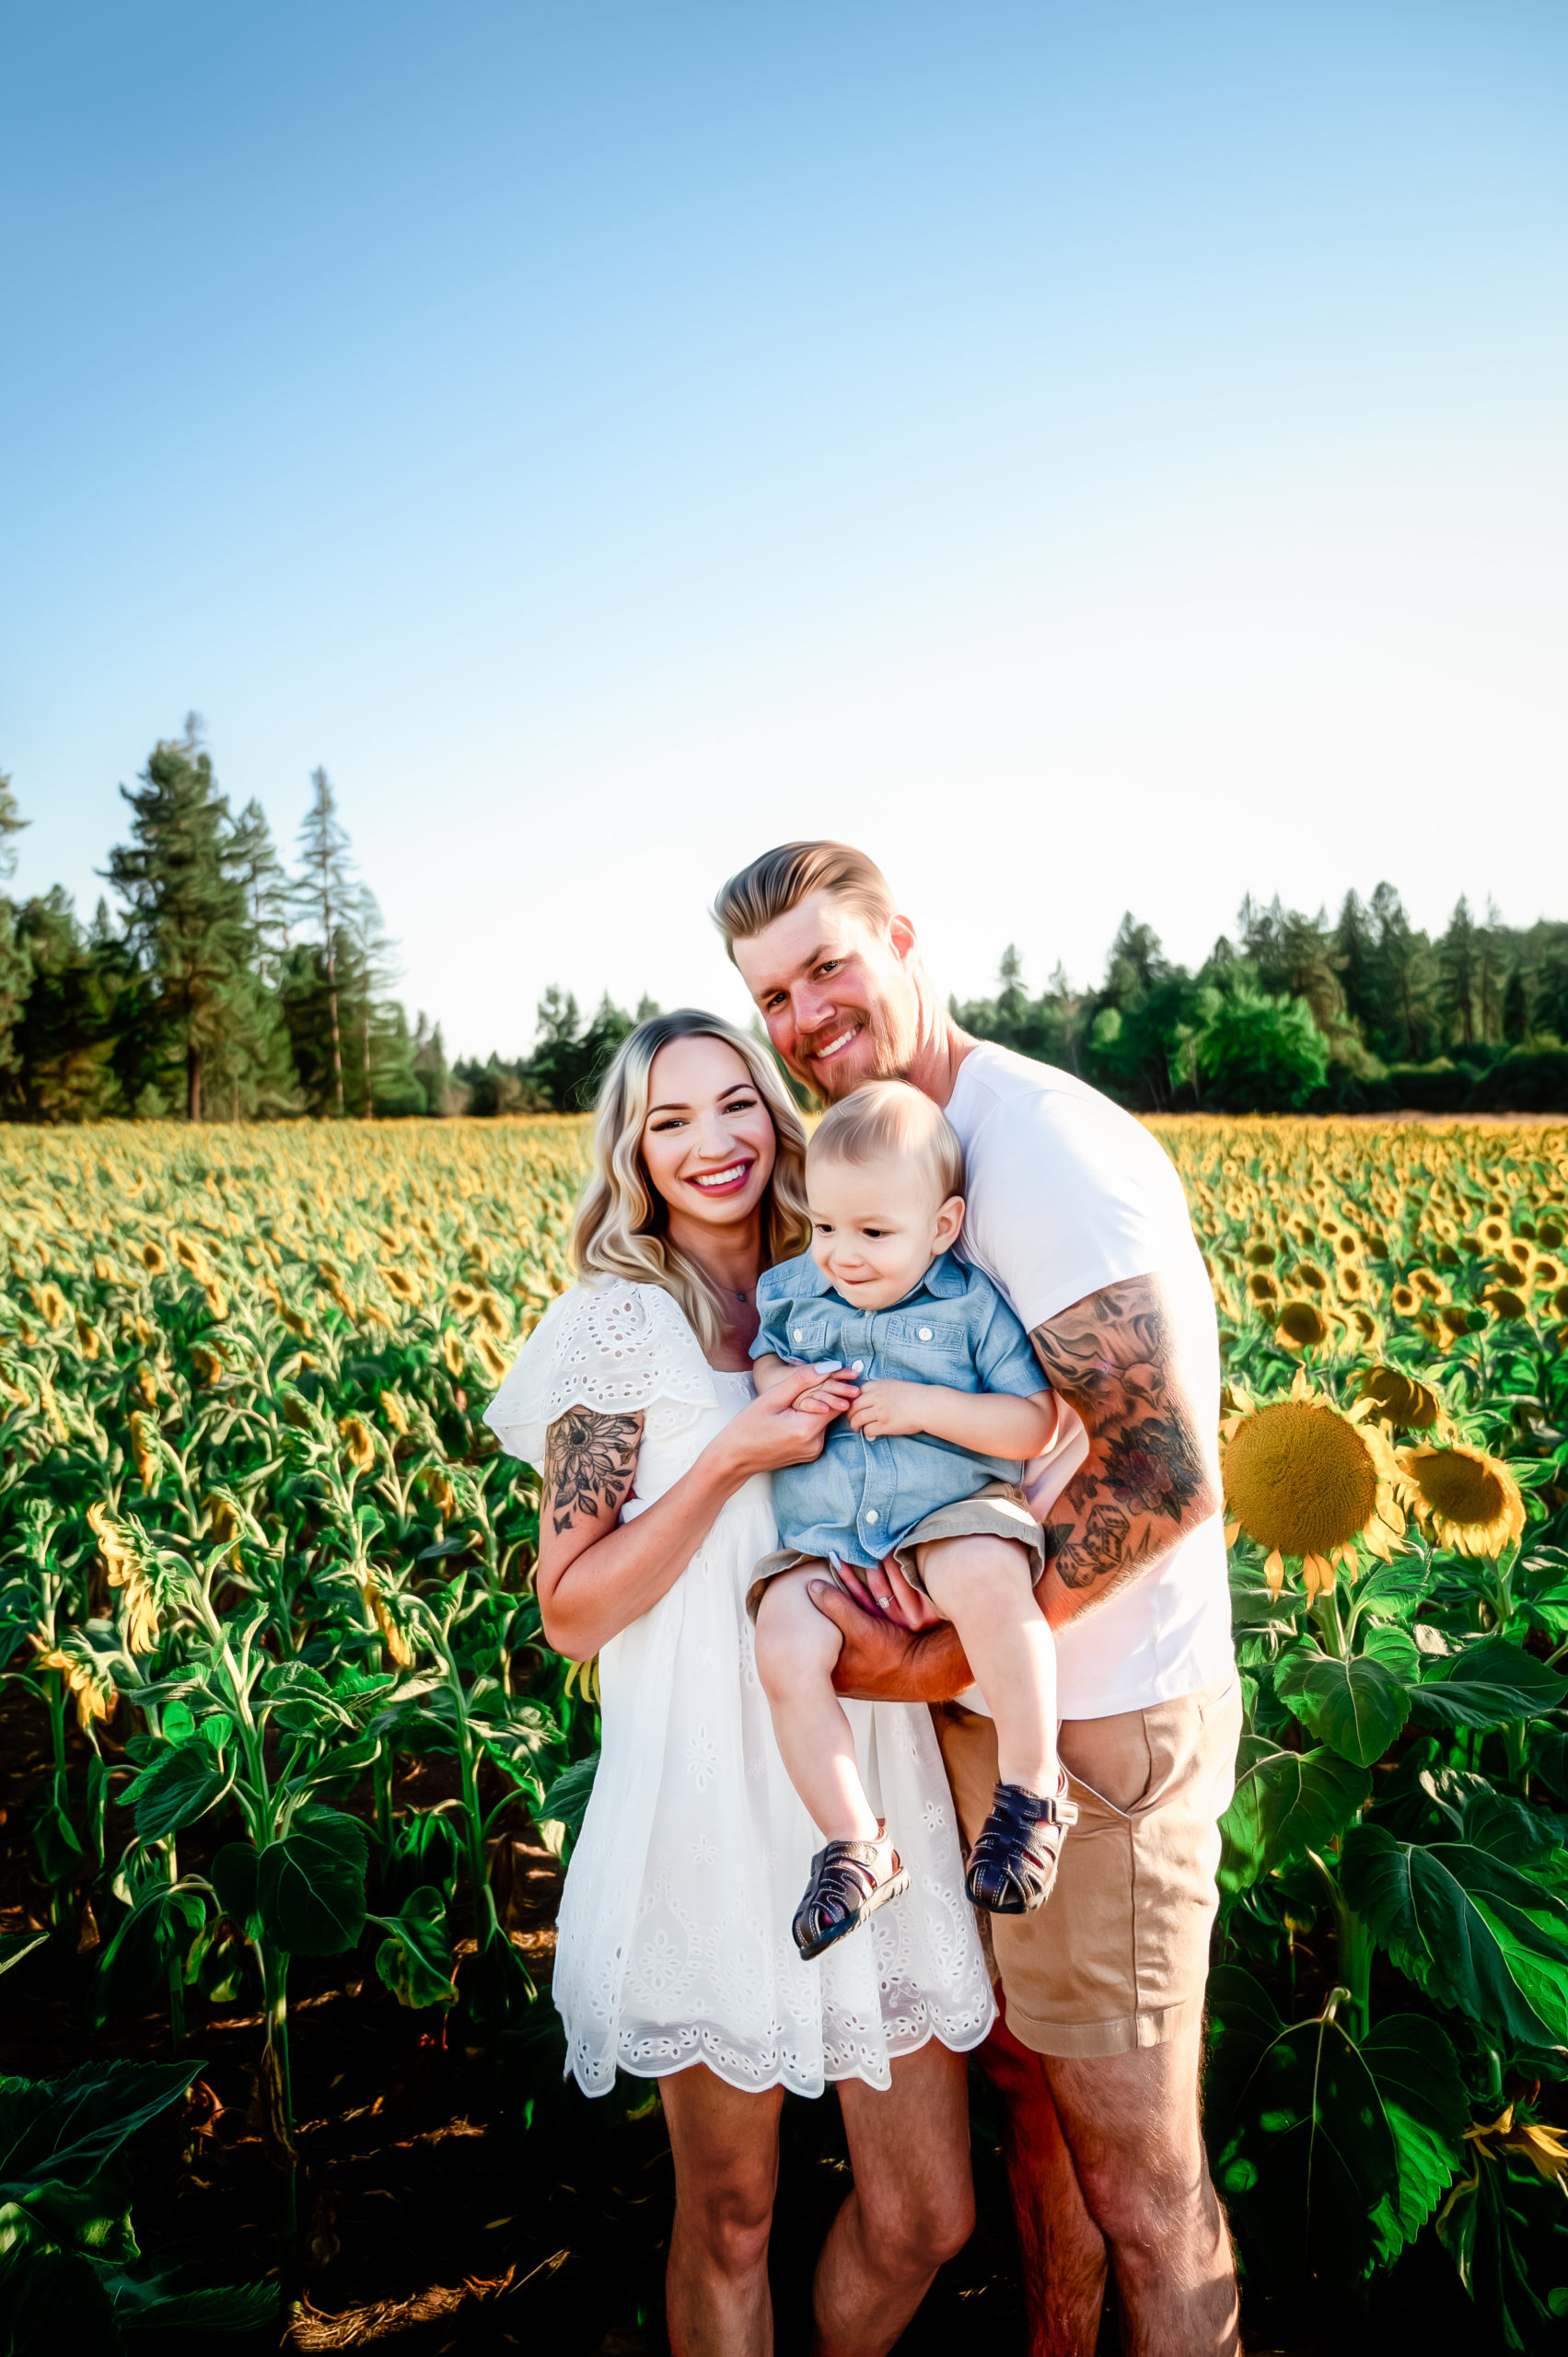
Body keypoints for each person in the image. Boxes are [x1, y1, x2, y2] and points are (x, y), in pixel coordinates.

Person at [719, 843, 1243, 2357]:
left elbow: (1153, 1469)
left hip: (1100, 1719)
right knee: (1032, 2102)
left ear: (900, 940)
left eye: (829, 967)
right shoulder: (900, 1156)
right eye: (773, 997)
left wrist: (922, 1656)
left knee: (1144, 2181)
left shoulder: (1040, 1155)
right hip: (996, 1709)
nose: (807, 1016)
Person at [484, 1008, 995, 2357]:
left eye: (731, 1105)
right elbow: (571, 1613)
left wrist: (912, 1568)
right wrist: (728, 1459)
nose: (708, 1142)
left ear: (775, 1113)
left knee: (925, 2214)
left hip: (860, 1790)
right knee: (730, 2216)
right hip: (706, 1804)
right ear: (631, 1153)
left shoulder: (848, 1281)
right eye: (666, 1120)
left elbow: (948, 1462)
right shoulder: (613, 1329)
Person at [749, 1079, 1080, 1961]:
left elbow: (1034, 1423)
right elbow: (763, 1367)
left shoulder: (972, 1307)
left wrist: (926, 1406)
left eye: (871, 1232)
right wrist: (787, 1391)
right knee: (781, 1643)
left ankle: (1031, 1787)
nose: (840, 1255)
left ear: (941, 1226)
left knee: (989, 1582)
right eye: (823, 1227)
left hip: (950, 1515)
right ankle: (857, 1842)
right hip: (825, 1538)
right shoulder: (793, 1292)